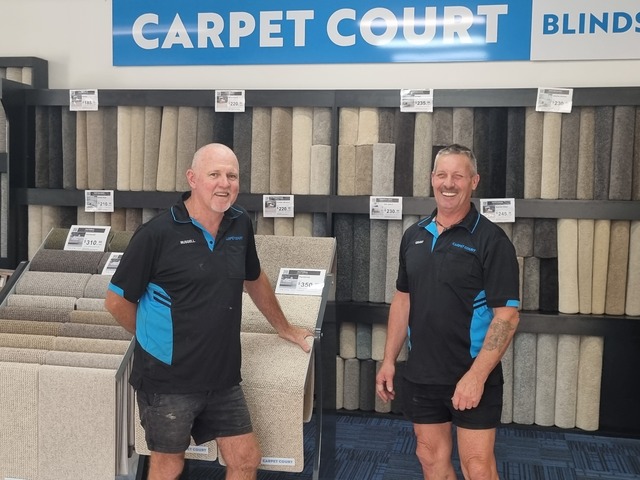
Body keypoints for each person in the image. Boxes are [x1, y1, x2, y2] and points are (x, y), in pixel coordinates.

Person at [105, 143, 312, 480]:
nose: (224, 183)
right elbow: (116, 301)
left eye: (232, 176)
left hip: (222, 377)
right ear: (193, 179)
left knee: (245, 458)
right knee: (169, 465)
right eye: (214, 174)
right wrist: (158, 342)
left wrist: (284, 327)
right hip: (168, 380)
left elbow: (254, 277)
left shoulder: (239, 224)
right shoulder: (157, 234)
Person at [375, 144, 520, 480]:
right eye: (442, 175)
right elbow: (403, 299)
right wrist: (388, 360)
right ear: (432, 179)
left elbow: (507, 316)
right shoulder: (413, 236)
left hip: (471, 372)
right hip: (423, 373)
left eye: (458, 176)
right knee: (429, 457)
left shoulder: (492, 240)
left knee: (477, 466)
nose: (448, 183)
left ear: (474, 181)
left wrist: (476, 376)